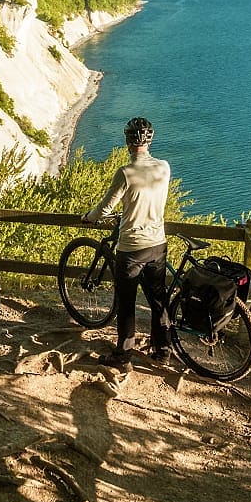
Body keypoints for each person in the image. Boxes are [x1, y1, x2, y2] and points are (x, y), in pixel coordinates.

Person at [81, 117, 172, 372]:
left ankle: (123, 355)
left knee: (126, 301)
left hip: (131, 247)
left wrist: (89, 217)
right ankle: (163, 351)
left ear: (128, 142)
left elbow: (106, 207)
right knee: (157, 298)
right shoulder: (164, 167)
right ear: (150, 140)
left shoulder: (126, 173)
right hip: (157, 244)